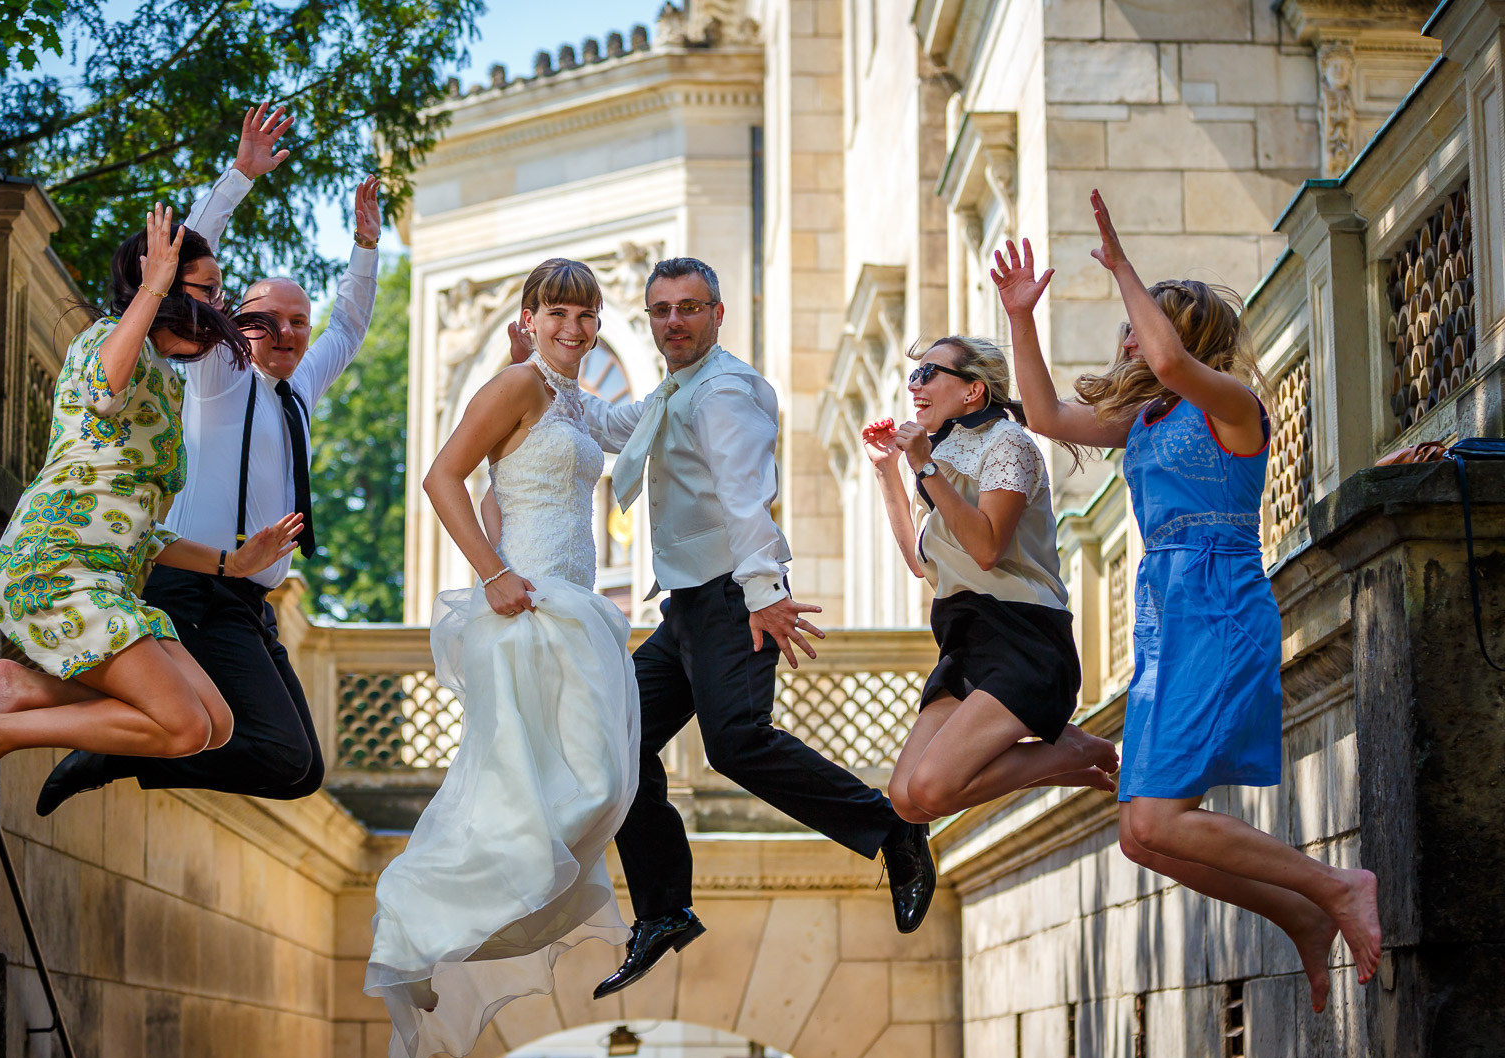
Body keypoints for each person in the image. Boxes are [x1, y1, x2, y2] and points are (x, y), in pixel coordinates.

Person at [992, 193, 1381, 1013]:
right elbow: (1041, 414)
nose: (1128, 334)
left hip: (1221, 612)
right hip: (1167, 622)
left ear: (1184, 335)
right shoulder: (1145, 420)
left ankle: (1340, 886)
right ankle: (1302, 915)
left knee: (1160, 819)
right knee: (1142, 834)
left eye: (1143, 321)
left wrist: (1123, 264)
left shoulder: (1234, 408)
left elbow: (1170, 364)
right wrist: (1020, 318)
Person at [575, 256, 937, 1001]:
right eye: (661, 311)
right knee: (616, 730)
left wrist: (763, 593)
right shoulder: (677, 391)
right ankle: (664, 908)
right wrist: (543, 379)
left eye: (688, 307)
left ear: (717, 313)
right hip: (686, 605)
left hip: (732, 595)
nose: (674, 320)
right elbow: (621, 425)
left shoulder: (727, 391)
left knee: (736, 742)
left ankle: (892, 830)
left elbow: (746, 499)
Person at [33, 105, 382, 814]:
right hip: (191, 588)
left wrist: (366, 247)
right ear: (230, 323)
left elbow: (348, 323)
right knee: (280, 752)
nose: (283, 332)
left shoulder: (301, 388)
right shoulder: (219, 373)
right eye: (263, 318)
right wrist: (239, 177)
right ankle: (110, 742)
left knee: (301, 768)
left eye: (296, 323)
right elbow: (187, 265)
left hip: (252, 599)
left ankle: (119, 747)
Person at [365, 259, 641, 1058]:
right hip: (524, 611)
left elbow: (500, 485)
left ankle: (436, 933)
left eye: (588, 315)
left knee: (582, 792)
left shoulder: (577, 403)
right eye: (558, 313)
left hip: (571, 611)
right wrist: (493, 572)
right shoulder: (518, 385)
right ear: (529, 317)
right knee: (572, 787)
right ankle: (414, 918)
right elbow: (440, 474)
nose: (576, 328)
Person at [0, 205, 302, 828]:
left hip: (109, 577)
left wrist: (231, 563)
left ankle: (24, 691)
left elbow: (145, 528)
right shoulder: (106, 342)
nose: (220, 308)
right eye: (208, 292)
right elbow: (103, 387)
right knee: (184, 724)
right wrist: (154, 288)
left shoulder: (166, 383)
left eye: (220, 293)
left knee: (215, 726)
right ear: (158, 286)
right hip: (54, 568)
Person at [859, 337, 1119, 822]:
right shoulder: (940, 452)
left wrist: (925, 467)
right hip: (966, 638)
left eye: (929, 373)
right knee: (907, 799)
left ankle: (1069, 753)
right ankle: (1065, 748)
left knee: (933, 789)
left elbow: (986, 549)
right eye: (914, 374)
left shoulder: (1009, 444)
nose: (914, 385)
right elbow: (922, 563)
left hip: (1024, 636)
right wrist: (887, 473)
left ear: (973, 391)